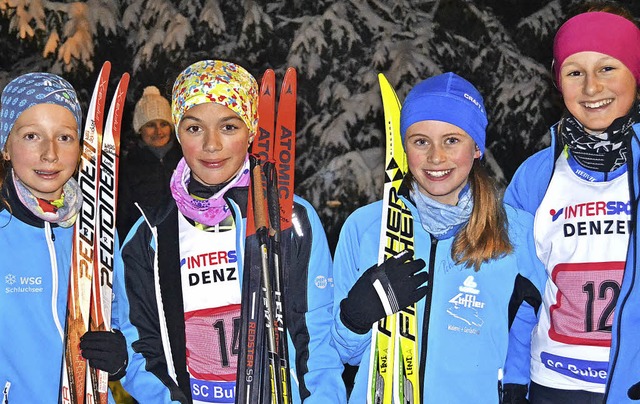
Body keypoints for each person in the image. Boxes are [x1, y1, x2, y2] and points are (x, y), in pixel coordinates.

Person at [116, 60, 346, 403]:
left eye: (228, 127)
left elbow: (315, 335)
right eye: (194, 128)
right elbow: (140, 344)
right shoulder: (150, 233)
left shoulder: (291, 217)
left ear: (251, 130)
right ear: (178, 133)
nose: (211, 144)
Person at [331, 72, 546, 402]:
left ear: (476, 147)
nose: (435, 157)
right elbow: (344, 353)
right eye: (420, 141)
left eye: (451, 140)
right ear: (404, 147)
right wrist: (355, 317)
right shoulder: (365, 227)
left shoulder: (517, 232)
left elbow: (551, 331)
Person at [503, 2, 640, 403]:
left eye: (607, 68)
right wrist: (513, 379)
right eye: (575, 72)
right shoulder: (536, 175)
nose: (592, 88)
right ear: (558, 81)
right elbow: (519, 292)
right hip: (553, 387)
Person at [0, 73, 128, 402]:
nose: (50, 153)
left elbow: (124, 323)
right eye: (31, 136)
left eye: (65, 137)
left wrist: (119, 356)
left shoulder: (100, 228)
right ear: (6, 148)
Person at [117, 85, 182, 240]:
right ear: (140, 129)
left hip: (184, 240)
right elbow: (122, 215)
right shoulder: (129, 166)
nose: (159, 132)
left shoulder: (186, 158)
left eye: (164, 124)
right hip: (146, 242)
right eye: (151, 125)